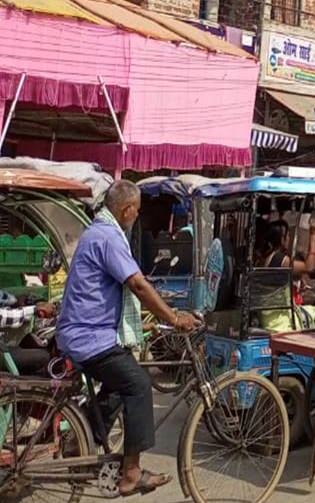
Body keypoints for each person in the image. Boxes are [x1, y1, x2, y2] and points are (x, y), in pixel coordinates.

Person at [56, 180, 199, 497]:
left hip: (86, 332)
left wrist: (160, 309)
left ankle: (81, 439)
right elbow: (137, 284)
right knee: (137, 383)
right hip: (88, 336)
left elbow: (135, 285)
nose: (137, 215)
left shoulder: (100, 231)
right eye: (136, 210)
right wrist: (174, 318)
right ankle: (132, 473)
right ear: (127, 209)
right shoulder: (109, 236)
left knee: (122, 381)